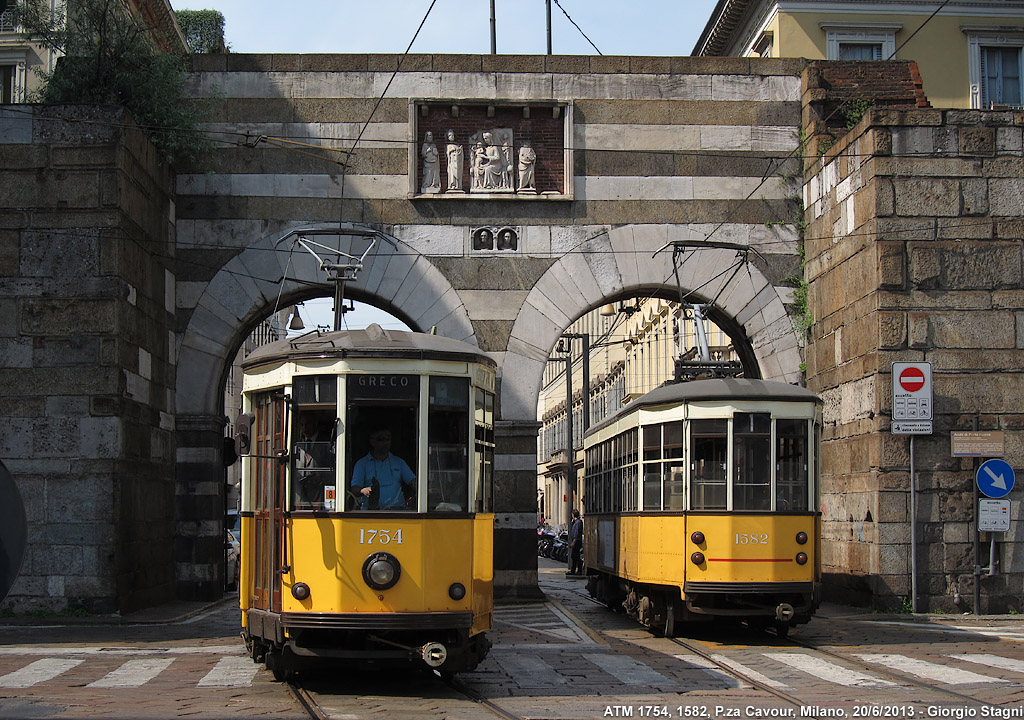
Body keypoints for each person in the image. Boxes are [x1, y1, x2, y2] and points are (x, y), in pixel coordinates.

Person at [351, 428, 416, 510]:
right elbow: (355, 488)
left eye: (388, 438)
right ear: (372, 441)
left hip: (397, 513)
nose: (385, 442)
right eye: (381, 439)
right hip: (370, 514)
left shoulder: (399, 462)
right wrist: (362, 490)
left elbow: (412, 481)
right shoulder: (362, 464)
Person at [294, 412, 334, 508]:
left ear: (315, 424)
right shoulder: (297, 443)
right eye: (302, 425)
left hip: (319, 495)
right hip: (300, 496)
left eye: (308, 424)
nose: (305, 428)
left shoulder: (326, 443)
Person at [567, 509, 584, 576]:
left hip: (576, 541)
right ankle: (573, 570)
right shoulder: (576, 522)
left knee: (575, 556)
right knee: (574, 556)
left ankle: (577, 570)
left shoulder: (578, 523)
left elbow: (576, 534)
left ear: (573, 515)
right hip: (576, 541)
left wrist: (573, 542)